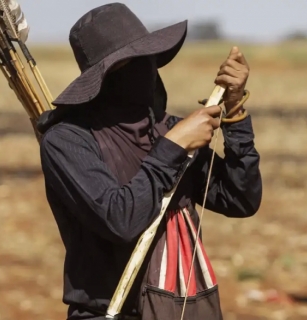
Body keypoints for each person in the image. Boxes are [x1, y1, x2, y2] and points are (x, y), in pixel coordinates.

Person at [37, 3, 262, 319]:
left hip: (179, 306)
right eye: (129, 64)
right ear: (103, 78)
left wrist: (235, 115)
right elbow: (121, 220)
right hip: (108, 312)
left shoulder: (166, 128)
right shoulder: (68, 141)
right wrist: (172, 149)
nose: (144, 71)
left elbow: (240, 199)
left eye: (148, 59)